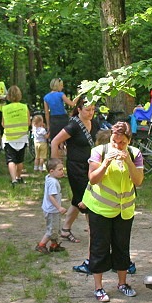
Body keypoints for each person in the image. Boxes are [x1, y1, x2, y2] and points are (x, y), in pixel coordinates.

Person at [80, 121, 144, 302]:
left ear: (129, 140)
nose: (118, 146)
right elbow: (93, 179)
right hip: (100, 208)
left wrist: (129, 161)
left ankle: (122, 283)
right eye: (115, 142)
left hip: (124, 210)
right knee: (99, 247)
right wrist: (106, 162)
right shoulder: (99, 152)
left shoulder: (135, 153)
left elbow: (138, 181)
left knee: (122, 247)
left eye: (122, 142)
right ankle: (98, 287)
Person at [50, 98, 99, 243]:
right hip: (76, 168)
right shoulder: (73, 126)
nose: (91, 113)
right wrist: (55, 165)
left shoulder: (95, 123)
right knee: (87, 199)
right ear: (79, 109)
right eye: (87, 110)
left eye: (92, 110)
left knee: (77, 200)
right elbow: (55, 142)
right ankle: (94, 234)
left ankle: (65, 229)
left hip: (90, 167)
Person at [36, 158, 67, 254]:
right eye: (60, 170)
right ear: (52, 171)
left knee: (55, 228)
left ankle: (54, 245)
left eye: (63, 169)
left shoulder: (49, 177)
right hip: (52, 210)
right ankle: (41, 245)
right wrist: (59, 207)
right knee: (52, 230)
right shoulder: (53, 182)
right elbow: (51, 197)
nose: (62, 172)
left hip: (49, 209)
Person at [1, 85, 30, 186]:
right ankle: (19, 176)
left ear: (8, 96)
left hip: (9, 138)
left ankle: (14, 180)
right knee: (20, 160)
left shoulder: (5, 108)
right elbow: (28, 122)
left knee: (11, 160)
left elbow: (3, 124)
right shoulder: (24, 107)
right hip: (22, 137)